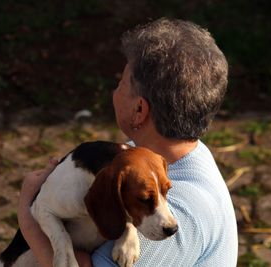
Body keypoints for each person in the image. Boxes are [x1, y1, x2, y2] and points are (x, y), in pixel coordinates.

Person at [18, 17, 238, 266]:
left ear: (139, 109)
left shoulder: (174, 220)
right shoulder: (174, 157)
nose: (114, 93)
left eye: (121, 85)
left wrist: (29, 213)